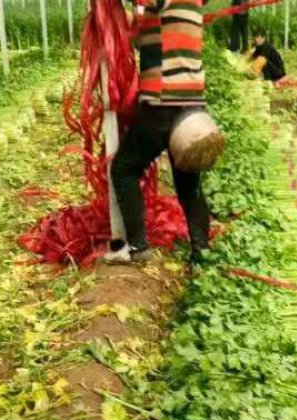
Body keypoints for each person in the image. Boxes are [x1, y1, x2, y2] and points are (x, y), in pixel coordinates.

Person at [107, 0, 211, 265]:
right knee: (188, 181)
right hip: (192, 103)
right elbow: (150, 36)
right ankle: (201, 250)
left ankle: (137, 246)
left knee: (124, 169)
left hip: (163, 101)